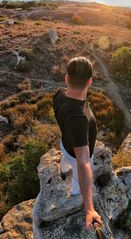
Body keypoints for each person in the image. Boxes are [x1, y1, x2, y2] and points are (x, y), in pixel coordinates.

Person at [52, 56, 104, 231]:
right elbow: (83, 162)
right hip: (76, 156)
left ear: (67, 78)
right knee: (76, 178)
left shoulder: (59, 95)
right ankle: (75, 194)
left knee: (65, 162)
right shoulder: (79, 118)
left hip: (65, 145)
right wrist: (89, 208)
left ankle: (62, 171)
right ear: (90, 81)